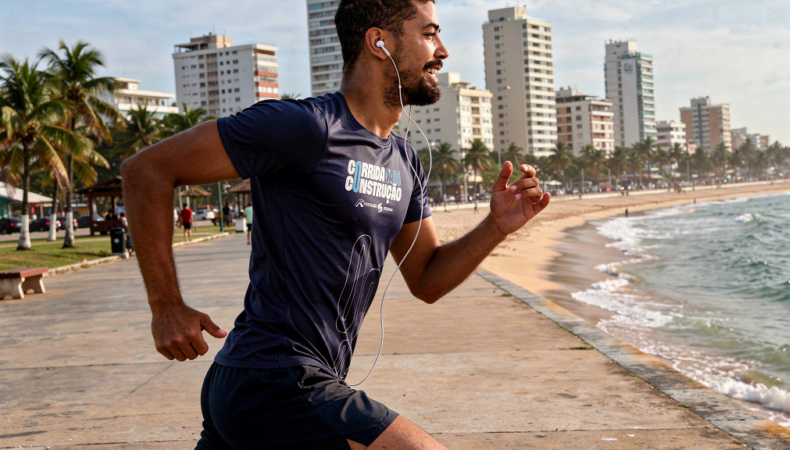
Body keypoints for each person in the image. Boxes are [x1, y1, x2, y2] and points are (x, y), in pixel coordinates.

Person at [120, 1, 550, 448]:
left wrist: (496, 226)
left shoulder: (404, 160)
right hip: (274, 377)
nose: (442, 51)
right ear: (378, 42)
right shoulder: (305, 126)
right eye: (429, 33)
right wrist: (166, 305)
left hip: (266, 385)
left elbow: (427, 279)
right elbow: (145, 170)